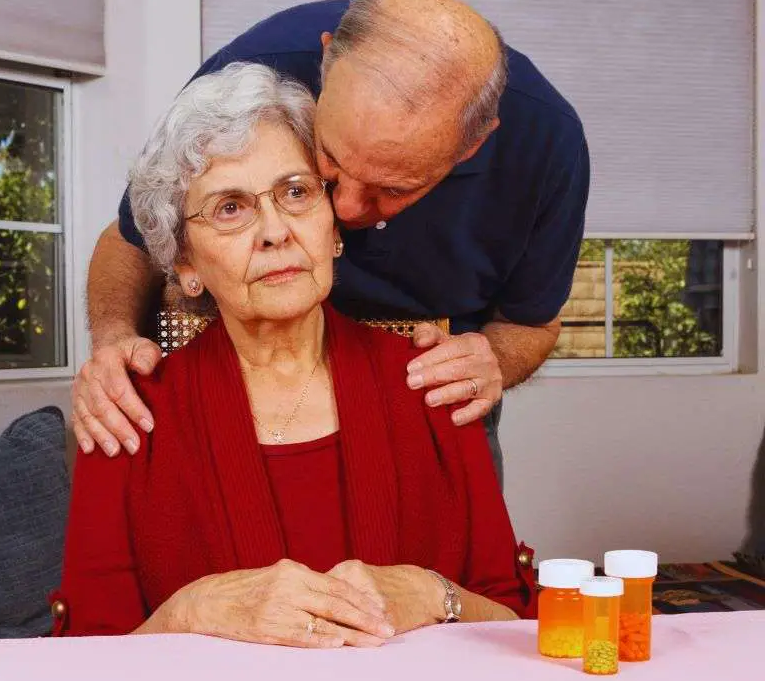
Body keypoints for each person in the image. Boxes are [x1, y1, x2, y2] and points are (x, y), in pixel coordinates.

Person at [52, 64, 536, 644]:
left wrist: (436, 595)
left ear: (332, 227)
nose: (275, 231)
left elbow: (516, 624)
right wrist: (190, 613)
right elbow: (83, 663)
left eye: (296, 192)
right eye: (230, 207)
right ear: (185, 263)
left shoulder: (433, 382)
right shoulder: (127, 416)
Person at [73, 0, 589, 481]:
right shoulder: (259, 69)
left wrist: (492, 359)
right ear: (325, 64)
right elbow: (137, 236)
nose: (343, 208)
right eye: (327, 166)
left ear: (471, 146)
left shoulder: (548, 145)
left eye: (393, 188)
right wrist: (115, 341)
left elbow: (531, 323)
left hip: (432, 398)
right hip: (225, 371)